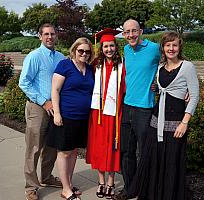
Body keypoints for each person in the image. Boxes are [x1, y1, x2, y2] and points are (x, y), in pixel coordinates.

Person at [128, 31, 200, 200]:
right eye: (168, 45)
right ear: (163, 48)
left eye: (174, 45)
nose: (171, 48)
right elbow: (160, 88)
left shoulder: (187, 66)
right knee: (155, 160)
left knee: (171, 162)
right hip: (156, 122)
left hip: (176, 123)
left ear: (179, 46)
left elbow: (195, 96)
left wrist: (185, 122)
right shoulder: (160, 68)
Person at [114, 19, 161, 200]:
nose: (131, 35)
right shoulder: (126, 50)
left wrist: (160, 84)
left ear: (141, 31)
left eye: (134, 31)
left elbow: (173, 62)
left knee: (144, 152)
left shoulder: (154, 48)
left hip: (145, 109)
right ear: (124, 34)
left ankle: (145, 188)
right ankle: (129, 188)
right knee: (126, 152)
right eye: (127, 32)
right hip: (127, 107)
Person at [19, 23, 65, 200]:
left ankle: (46, 177)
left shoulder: (61, 57)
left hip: (55, 109)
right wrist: (44, 102)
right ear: (40, 36)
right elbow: (24, 82)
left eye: (52, 34)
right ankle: (31, 186)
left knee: (51, 147)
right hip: (38, 107)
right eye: (46, 34)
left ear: (56, 35)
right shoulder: (34, 56)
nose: (49, 37)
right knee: (34, 147)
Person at [47, 37, 95, 200]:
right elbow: (55, 90)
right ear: (74, 50)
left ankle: (69, 182)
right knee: (64, 152)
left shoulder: (89, 69)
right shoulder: (65, 65)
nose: (84, 54)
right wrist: (57, 113)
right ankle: (65, 189)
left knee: (74, 151)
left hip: (82, 118)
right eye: (81, 50)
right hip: (66, 116)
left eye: (87, 51)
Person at [86, 28, 126, 199]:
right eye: (105, 46)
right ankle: (101, 181)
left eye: (111, 46)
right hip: (98, 114)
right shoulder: (96, 65)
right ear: (101, 48)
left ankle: (111, 182)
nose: (109, 49)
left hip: (115, 113)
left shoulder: (123, 64)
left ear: (116, 47)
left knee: (113, 147)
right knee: (99, 147)